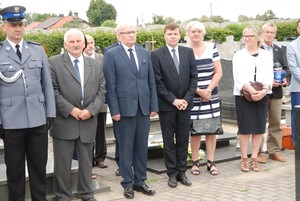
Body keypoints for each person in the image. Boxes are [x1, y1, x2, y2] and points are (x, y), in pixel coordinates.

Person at [0, 5, 56, 201]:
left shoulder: (36, 49)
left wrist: (50, 112)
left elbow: (46, 84)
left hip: (37, 120)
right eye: (13, 24)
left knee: (38, 168)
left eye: (21, 24)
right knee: (14, 172)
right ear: (4, 26)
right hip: (11, 121)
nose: (18, 28)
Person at [49, 28, 106, 201]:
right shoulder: (53, 63)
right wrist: (71, 110)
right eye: (71, 41)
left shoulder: (96, 64)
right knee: (62, 164)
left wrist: (91, 111)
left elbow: (102, 91)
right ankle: (63, 196)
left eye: (78, 41)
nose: (75, 44)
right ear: (65, 44)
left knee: (87, 162)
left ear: (85, 43)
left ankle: (86, 193)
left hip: (88, 121)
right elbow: (52, 91)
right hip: (64, 121)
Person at [103, 24, 158, 199]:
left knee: (141, 147)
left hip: (143, 108)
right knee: (126, 148)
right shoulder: (111, 55)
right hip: (124, 110)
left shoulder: (144, 53)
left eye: (133, 32)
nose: (131, 35)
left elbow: (151, 82)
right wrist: (114, 110)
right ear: (118, 36)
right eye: (127, 33)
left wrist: (153, 106)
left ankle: (140, 180)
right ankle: (127, 182)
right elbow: (110, 85)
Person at [151, 23, 198, 187]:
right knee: (169, 140)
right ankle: (171, 174)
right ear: (164, 36)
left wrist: (185, 99)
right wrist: (174, 100)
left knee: (184, 139)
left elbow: (194, 78)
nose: (172, 36)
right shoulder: (156, 55)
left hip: (186, 104)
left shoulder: (188, 52)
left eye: (175, 34)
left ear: (180, 36)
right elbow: (158, 81)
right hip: (167, 106)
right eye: (169, 34)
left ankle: (182, 172)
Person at [232, 25, 273, 172]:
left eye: (251, 36)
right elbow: (238, 77)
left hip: (261, 96)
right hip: (243, 96)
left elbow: (269, 76)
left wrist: (262, 92)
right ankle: (244, 158)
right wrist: (251, 91)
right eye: (245, 36)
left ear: (258, 38)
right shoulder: (239, 55)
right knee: (244, 129)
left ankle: (254, 158)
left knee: (258, 128)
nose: (247, 39)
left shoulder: (266, 55)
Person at [185, 21, 223, 176]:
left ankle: (211, 162)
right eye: (193, 31)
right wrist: (198, 91)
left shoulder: (212, 48)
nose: (196, 34)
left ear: (203, 33)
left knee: (211, 130)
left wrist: (208, 90)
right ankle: (195, 162)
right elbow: (182, 76)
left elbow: (218, 72)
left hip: (211, 95)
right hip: (193, 96)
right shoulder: (184, 50)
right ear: (188, 33)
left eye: (199, 31)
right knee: (195, 131)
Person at [257, 22, 287, 163]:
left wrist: (285, 78)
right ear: (262, 33)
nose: (269, 35)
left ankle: (273, 151)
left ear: (275, 34)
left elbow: (284, 67)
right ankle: (258, 152)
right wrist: (267, 82)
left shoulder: (278, 50)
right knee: (260, 123)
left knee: (275, 123)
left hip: (276, 92)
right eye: (267, 32)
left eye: (272, 32)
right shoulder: (256, 49)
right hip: (261, 92)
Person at [84, 34, 108, 170]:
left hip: (101, 101)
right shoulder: (79, 59)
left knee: (100, 132)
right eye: (87, 43)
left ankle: (100, 157)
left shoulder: (102, 59)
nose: (90, 45)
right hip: (86, 104)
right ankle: (89, 159)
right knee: (88, 133)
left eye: (92, 42)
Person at [286, 19, 300, 145]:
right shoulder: (292, 46)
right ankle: (297, 143)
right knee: (297, 117)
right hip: (298, 88)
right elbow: (293, 67)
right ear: (297, 29)